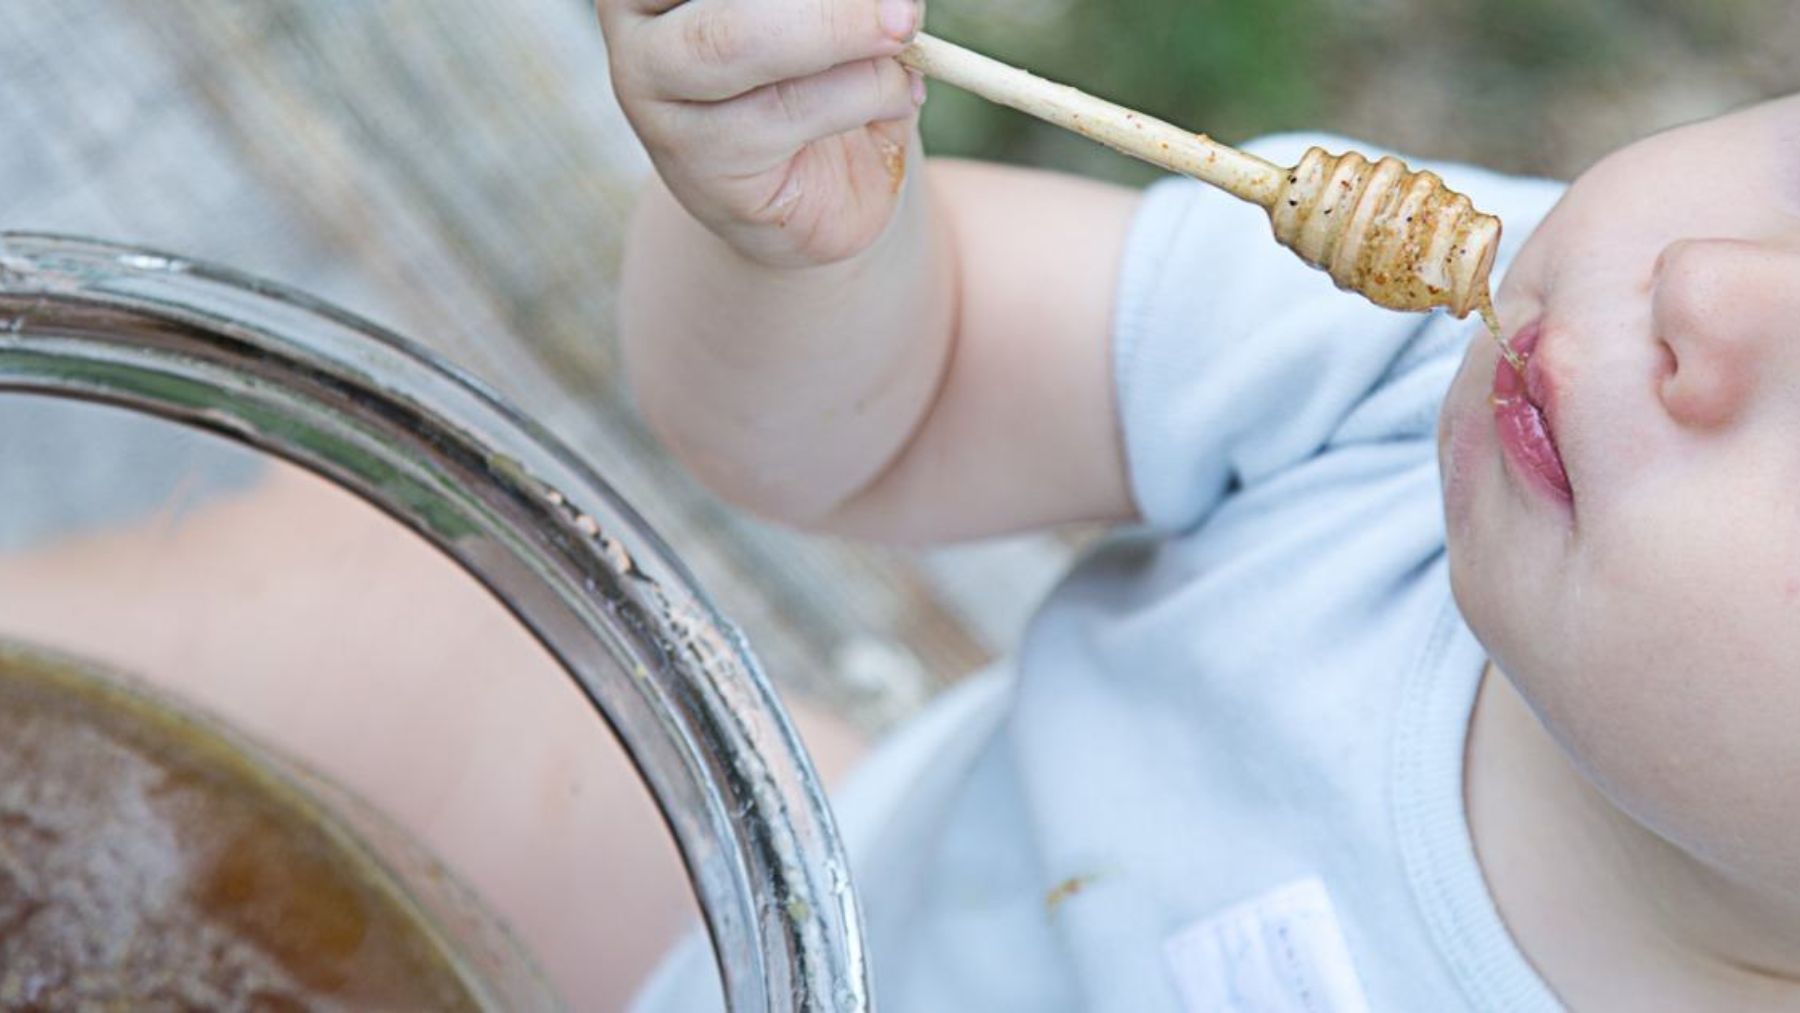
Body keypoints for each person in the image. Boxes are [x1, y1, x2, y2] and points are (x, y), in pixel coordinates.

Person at [598, 0, 1800, 1007]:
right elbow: (882, 408)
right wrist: (797, 234)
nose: (1706, 283)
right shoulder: (1406, 358)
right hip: (769, 898)